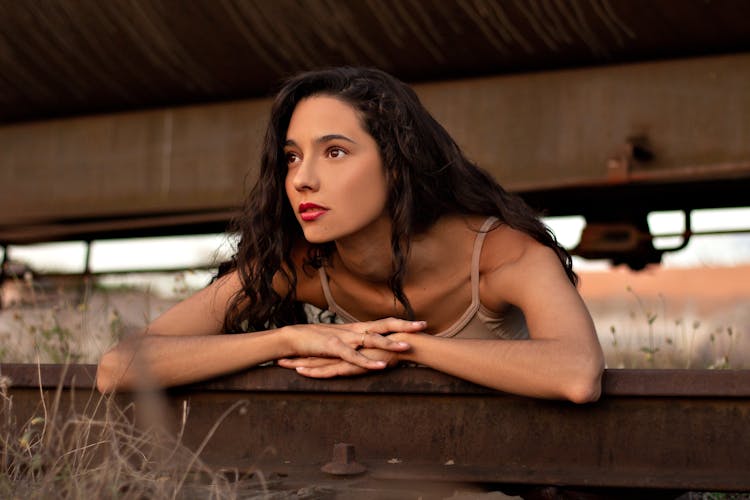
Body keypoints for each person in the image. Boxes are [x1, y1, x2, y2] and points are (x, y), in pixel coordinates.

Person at [96, 67, 604, 402]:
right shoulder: (298, 265)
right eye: (293, 156)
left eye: (334, 152)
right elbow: (118, 368)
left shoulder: (503, 255)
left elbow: (577, 373)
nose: (301, 178)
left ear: (398, 166)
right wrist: (293, 336)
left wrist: (400, 347)